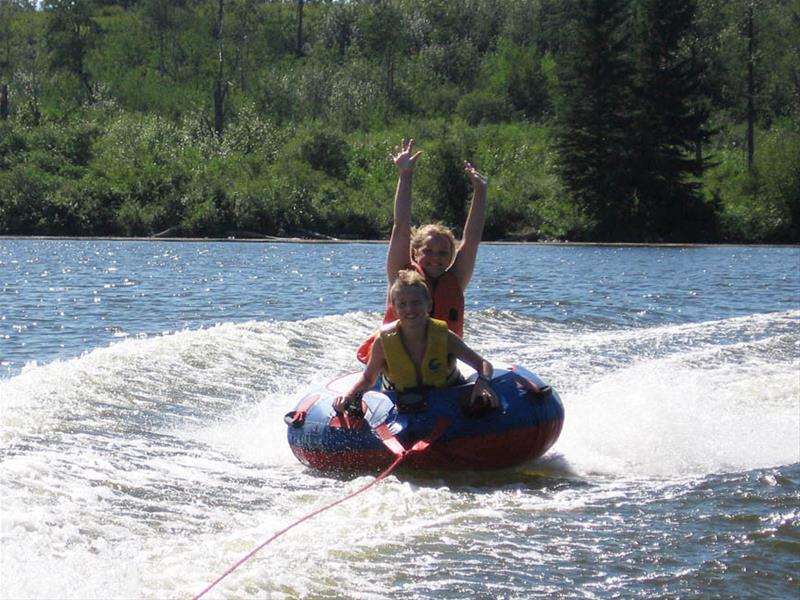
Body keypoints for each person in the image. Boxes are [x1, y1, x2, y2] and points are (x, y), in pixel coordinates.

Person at [356, 138, 489, 363]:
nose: (435, 259)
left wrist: (480, 191)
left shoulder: (455, 279)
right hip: (394, 371)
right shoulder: (401, 272)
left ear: (451, 256)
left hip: (440, 372)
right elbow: (400, 226)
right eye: (428, 251)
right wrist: (405, 175)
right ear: (415, 251)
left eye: (443, 253)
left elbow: (472, 238)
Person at [336, 269, 497, 415]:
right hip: (398, 403)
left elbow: (484, 365)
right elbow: (369, 378)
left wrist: (482, 384)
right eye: (403, 304)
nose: (410, 310)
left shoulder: (444, 336)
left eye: (416, 302)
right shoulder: (383, 342)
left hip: (447, 398)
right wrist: (349, 394)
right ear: (395, 309)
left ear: (429, 304)